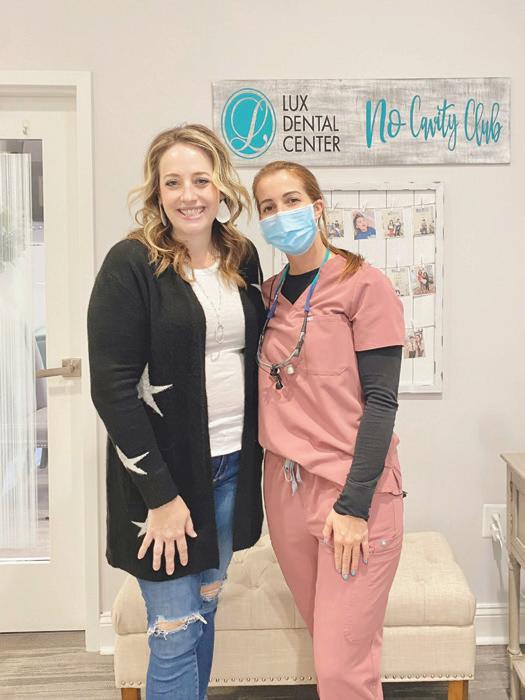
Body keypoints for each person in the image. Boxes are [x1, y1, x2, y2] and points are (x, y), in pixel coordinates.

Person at [87, 124, 265, 700]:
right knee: (173, 632)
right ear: (156, 191)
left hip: (232, 467)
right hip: (162, 478)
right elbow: (112, 389)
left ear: (221, 186)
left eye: (201, 180)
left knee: (203, 615)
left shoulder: (242, 256)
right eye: (173, 182)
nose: (189, 195)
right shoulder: (131, 263)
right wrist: (161, 498)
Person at [253, 161, 405, 700]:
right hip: (285, 491)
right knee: (335, 653)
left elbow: (382, 402)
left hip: (350, 490)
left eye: (291, 201)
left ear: (317, 207)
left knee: (342, 670)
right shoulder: (265, 296)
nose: (280, 214)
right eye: (267, 207)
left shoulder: (364, 285)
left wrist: (355, 506)